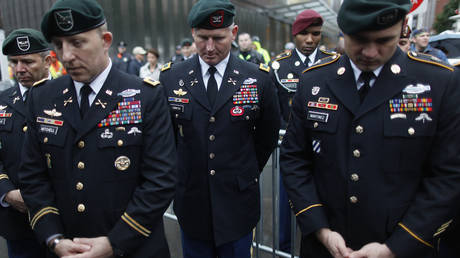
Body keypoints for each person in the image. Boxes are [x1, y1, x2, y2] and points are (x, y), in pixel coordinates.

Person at [280, 0, 460, 257]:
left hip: (404, 245)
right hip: (326, 245)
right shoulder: (313, 81)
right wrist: (319, 228)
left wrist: (396, 246)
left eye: (384, 40)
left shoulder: (438, 81)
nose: (370, 52)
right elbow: (294, 158)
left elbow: (449, 175)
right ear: (343, 31)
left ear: (403, 27)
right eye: (360, 40)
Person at [18, 0, 177, 257]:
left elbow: (161, 179)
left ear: (105, 40)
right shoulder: (43, 97)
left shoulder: (145, 96)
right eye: (59, 45)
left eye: (77, 43)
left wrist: (115, 242)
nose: (67, 55)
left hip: (133, 247)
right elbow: (32, 177)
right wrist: (54, 238)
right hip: (65, 247)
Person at [160, 0, 280, 257]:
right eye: (203, 38)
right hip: (192, 201)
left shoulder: (257, 78)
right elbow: (166, 138)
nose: (210, 47)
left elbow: (268, 136)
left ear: (233, 33)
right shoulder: (171, 77)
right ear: (193, 33)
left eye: (218, 37)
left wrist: (244, 169)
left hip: (238, 201)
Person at [271, 9, 335, 253]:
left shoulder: (333, 62)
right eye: (304, 34)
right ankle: (285, 249)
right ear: (294, 34)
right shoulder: (279, 66)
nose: (310, 40)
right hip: (292, 151)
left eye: (316, 34)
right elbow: (274, 109)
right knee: (287, 208)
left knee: (325, 207)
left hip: (326, 151)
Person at [0, 28, 51, 258]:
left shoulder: (69, 95)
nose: (20, 69)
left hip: (66, 220)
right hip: (17, 222)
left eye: (28, 61)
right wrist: (7, 192)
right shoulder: (2, 102)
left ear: (48, 60)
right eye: (15, 62)